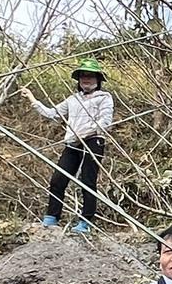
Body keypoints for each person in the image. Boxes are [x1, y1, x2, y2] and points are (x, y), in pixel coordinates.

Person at [24, 59, 113, 234]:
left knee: (87, 181)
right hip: (72, 142)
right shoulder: (73, 99)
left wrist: (87, 133)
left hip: (93, 141)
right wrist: (32, 98)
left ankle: (86, 221)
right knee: (58, 179)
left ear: (98, 79)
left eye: (90, 76)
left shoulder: (105, 97)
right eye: (83, 76)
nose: (86, 80)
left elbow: (105, 122)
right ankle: (52, 216)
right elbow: (51, 113)